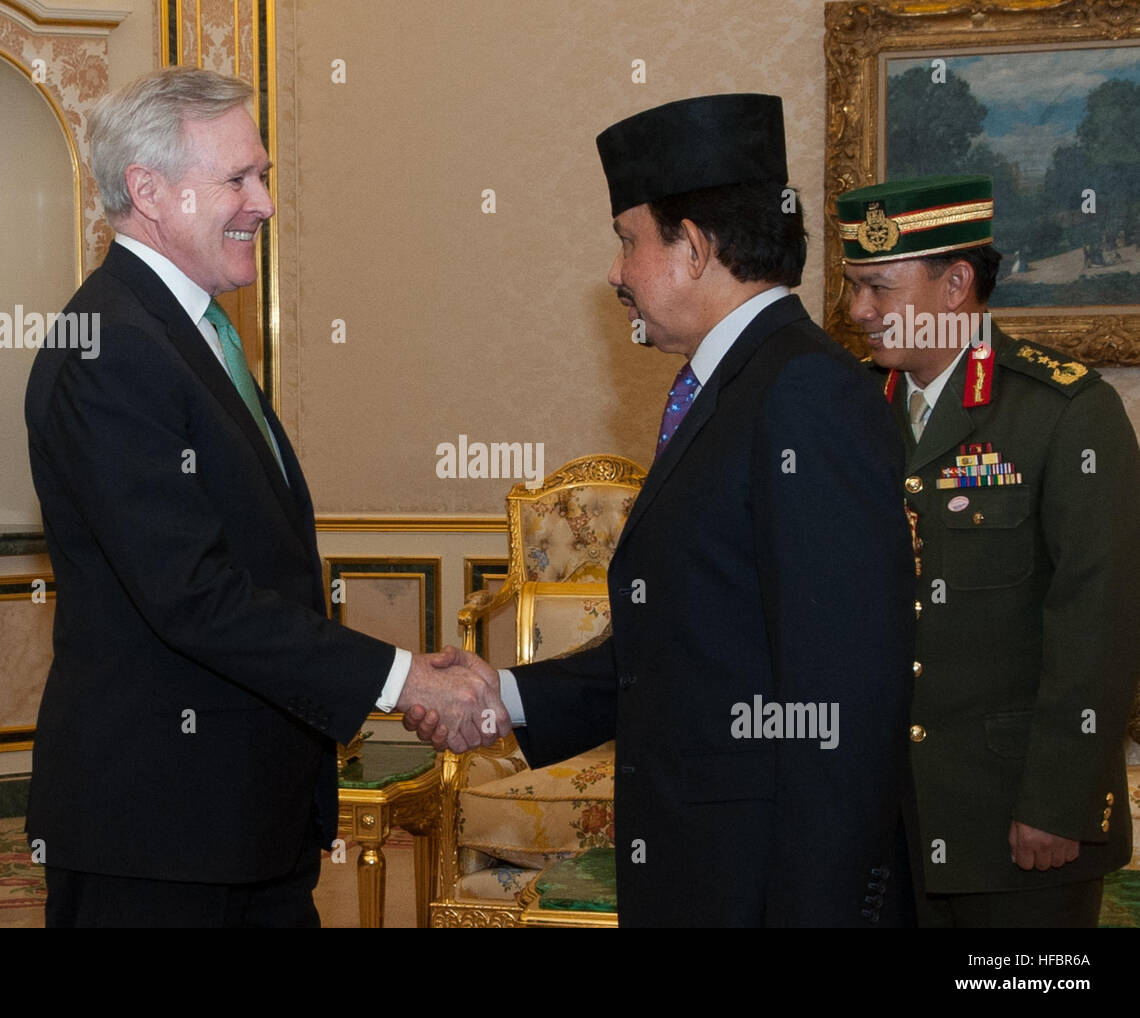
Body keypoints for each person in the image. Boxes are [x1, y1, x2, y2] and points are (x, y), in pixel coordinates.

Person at [409, 95, 917, 927]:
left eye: (626, 238)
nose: (616, 272)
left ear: (693, 246)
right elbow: (684, 648)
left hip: (767, 887)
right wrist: (504, 691)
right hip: (704, 870)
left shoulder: (804, 393)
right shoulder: (734, 385)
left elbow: (844, 697)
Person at [24, 69, 508, 928]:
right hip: (161, 838)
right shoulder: (111, 350)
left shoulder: (186, 331)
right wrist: (402, 681)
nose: (265, 203)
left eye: (265, 175)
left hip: (237, 823)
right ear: (148, 192)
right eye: (239, 179)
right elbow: (194, 598)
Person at [839, 174, 1140, 927]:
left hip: (1016, 827)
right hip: (874, 824)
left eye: (878, 287)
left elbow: (1098, 625)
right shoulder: (844, 414)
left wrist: (1059, 801)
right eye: (851, 287)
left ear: (956, 285)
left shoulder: (1066, 413)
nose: (857, 312)